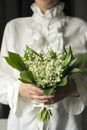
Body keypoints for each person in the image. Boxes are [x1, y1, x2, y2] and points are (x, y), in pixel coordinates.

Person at [0, 0, 87, 130]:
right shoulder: (14, 28)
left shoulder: (81, 28)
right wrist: (21, 89)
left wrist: (71, 88)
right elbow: (2, 83)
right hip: (23, 125)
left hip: (67, 124)